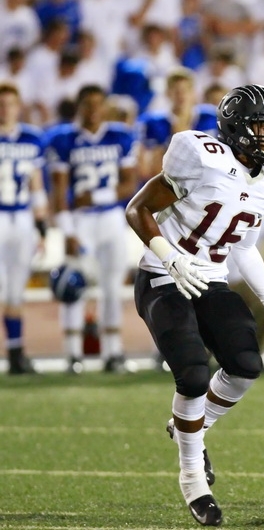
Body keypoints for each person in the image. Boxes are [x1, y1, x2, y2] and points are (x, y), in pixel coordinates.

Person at [125, 84, 264, 526]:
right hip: (163, 276)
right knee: (191, 372)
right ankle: (193, 479)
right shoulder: (200, 155)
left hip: (211, 279)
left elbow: (243, 246)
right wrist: (170, 257)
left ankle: (192, 428)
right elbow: (137, 208)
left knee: (246, 364)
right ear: (238, 129)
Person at [47, 85, 139, 374]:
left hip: (111, 217)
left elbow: (129, 184)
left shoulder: (120, 136)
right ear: (79, 107)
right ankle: (73, 354)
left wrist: (97, 196)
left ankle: (113, 352)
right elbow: (60, 193)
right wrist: (67, 230)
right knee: (75, 286)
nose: (93, 109)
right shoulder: (64, 139)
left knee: (113, 288)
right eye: (88, 104)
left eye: (98, 103)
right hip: (81, 220)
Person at [0, 82, 47, 375]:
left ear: (19, 106)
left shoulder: (32, 138)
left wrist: (41, 227)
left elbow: (36, 185)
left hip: (23, 218)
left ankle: (16, 353)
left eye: (10, 104)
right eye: (2, 104)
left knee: (16, 290)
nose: (6, 109)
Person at [138, 68, 218, 181]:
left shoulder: (212, 117)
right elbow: (147, 171)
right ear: (167, 93)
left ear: (194, 93)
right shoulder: (154, 123)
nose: (181, 95)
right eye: (176, 91)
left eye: (185, 90)